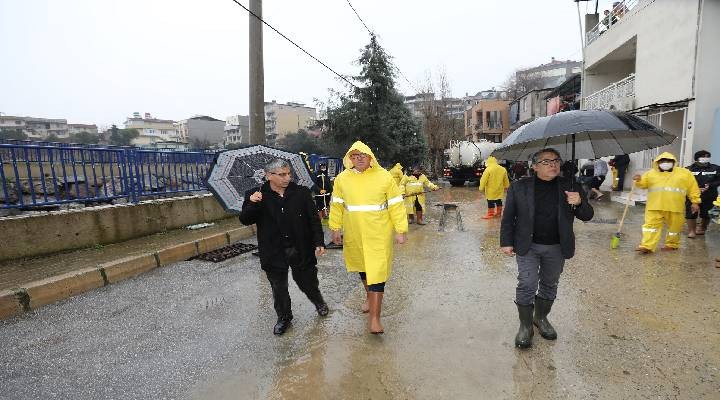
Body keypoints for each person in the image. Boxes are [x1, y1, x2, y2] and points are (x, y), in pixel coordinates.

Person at [500, 148, 594, 349]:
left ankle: (540, 318)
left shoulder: (569, 185)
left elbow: (587, 215)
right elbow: (508, 217)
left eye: (556, 160)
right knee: (527, 282)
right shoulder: (519, 187)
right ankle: (525, 326)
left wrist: (578, 202)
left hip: (557, 246)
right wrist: (506, 242)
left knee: (549, 284)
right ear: (534, 166)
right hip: (528, 245)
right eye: (546, 161)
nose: (553, 165)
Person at [239, 159, 329, 336]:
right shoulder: (256, 194)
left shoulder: (301, 193)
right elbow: (245, 220)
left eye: (289, 174)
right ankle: (284, 318)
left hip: (300, 247)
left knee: (307, 281)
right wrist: (252, 203)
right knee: (278, 288)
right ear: (269, 176)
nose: (287, 178)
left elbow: (313, 220)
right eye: (282, 175)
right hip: (273, 250)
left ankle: (319, 302)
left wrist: (319, 241)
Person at [328, 141, 408, 334]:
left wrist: (400, 230)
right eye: (354, 156)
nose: (359, 159)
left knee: (377, 272)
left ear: (370, 157)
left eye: (362, 156)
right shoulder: (342, 179)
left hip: (378, 234)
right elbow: (337, 204)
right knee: (363, 269)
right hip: (354, 233)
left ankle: (375, 318)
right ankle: (368, 297)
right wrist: (335, 228)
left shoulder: (384, 177)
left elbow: (396, 204)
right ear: (350, 159)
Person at [633, 152, 701, 253]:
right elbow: (643, 184)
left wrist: (695, 202)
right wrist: (638, 180)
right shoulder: (651, 173)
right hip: (655, 206)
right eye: (663, 161)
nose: (665, 163)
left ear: (674, 162)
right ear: (658, 162)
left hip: (675, 206)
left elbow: (693, 188)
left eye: (668, 161)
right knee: (650, 227)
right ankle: (647, 246)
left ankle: (672, 244)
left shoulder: (684, 173)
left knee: (675, 227)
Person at [685, 150, 720, 238]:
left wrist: (710, 185)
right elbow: (683, 182)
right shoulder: (688, 169)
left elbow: (719, 180)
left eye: (707, 157)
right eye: (703, 157)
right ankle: (691, 231)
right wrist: (694, 189)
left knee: (707, 213)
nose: (706, 158)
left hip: (709, 195)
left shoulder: (715, 168)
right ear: (697, 158)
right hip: (692, 195)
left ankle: (702, 228)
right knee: (691, 213)